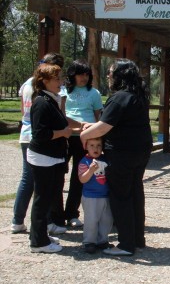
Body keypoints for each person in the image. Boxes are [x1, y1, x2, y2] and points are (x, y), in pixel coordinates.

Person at [80, 58, 153, 256]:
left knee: (121, 196)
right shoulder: (137, 95)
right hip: (140, 151)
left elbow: (105, 126)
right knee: (135, 193)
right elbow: (111, 122)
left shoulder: (120, 97)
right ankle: (137, 239)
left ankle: (126, 244)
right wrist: (91, 127)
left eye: (111, 73)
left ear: (120, 76)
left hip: (122, 153)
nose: (108, 76)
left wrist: (84, 135)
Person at [27, 62, 83, 253]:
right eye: (56, 79)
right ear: (44, 81)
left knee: (49, 197)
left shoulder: (52, 99)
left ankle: (40, 233)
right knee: (42, 199)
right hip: (43, 157)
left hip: (53, 157)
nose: (61, 82)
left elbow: (63, 120)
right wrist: (63, 133)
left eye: (60, 78)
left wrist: (81, 126)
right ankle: (38, 242)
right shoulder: (41, 103)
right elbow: (40, 133)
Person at [11, 53, 64, 234]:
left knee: (28, 180)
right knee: (40, 185)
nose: (60, 80)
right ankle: (44, 224)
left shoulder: (27, 83)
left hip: (26, 132)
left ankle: (18, 220)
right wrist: (63, 131)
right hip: (38, 138)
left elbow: (22, 110)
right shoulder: (44, 98)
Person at [62, 60, 103, 228]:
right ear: (72, 75)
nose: (83, 78)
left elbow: (98, 117)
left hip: (85, 137)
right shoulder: (64, 91)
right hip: (65, 136)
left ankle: (72, 213)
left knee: (79, 176)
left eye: (86, 74)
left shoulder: (94, 93)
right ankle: (55, 215)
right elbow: (61, 112)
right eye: (80, 74)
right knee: (58, 175)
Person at [78, 137, 113, 254]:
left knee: (106, 220)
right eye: (92, 145)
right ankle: (89, 241)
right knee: (91, 220)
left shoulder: (105, 159)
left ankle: (102, 240)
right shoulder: (84, 161)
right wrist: (90, 170)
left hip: (105, 195)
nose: (95, 148)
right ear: (86, 147)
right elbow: (82, 179)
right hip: (91, 196)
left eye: (98, 145)